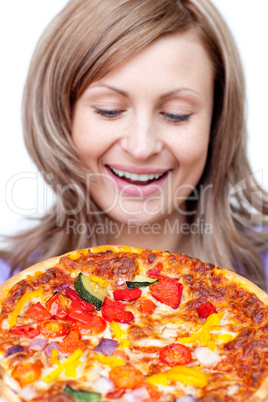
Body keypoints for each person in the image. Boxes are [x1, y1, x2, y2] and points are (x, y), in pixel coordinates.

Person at [0, 0, 267, 290]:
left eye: (176, 114)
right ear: (60, 116)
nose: (142, 147)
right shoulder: (11, 288)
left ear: (217, 122)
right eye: (109, 109)